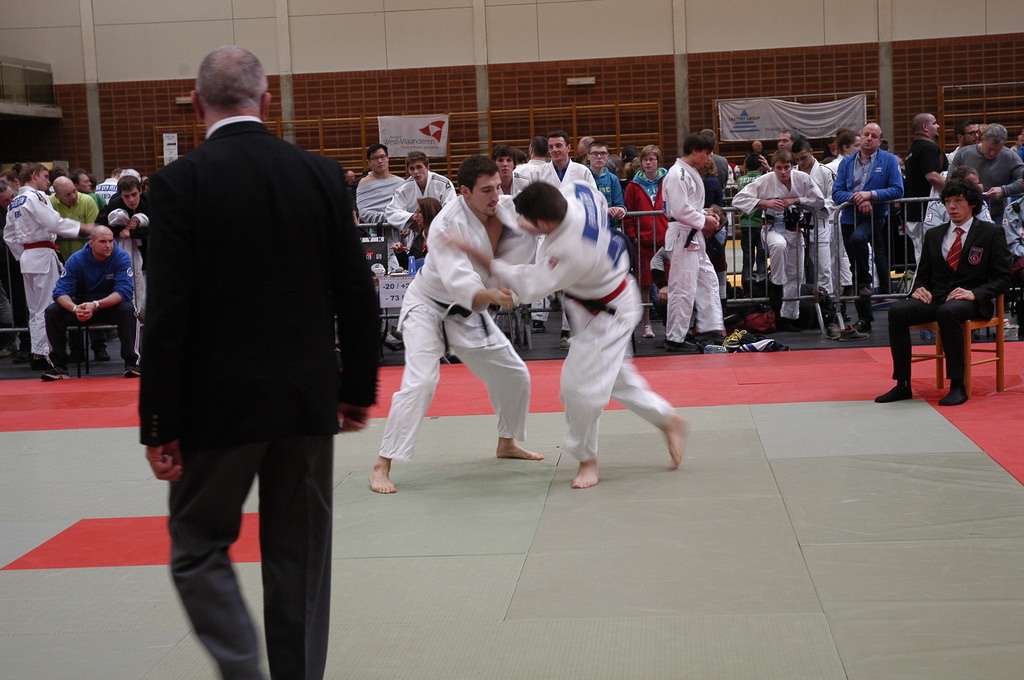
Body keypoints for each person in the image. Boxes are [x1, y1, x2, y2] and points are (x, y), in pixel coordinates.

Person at [140, 46, 379, 680]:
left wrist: (159, 422)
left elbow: (165, 315)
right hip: (305, 400)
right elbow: (357, 291)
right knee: (300, 559)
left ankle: (241, 666)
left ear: (197, 104)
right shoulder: (320, 175)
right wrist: (356, 387)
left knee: (198, 545)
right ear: (267, 102)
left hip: (214, 406)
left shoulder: (178, 183)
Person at [450, 181, 687, 488]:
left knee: (577, 389)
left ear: (546, 223)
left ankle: (588, 460)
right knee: (615, 378)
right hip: (602, 297)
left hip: (607, 316)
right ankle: (667, 419)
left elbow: (528, 284)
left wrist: (479, 255)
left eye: (531, 223)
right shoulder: (578, 191)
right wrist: (525, 220)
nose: (525, 226)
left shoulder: (570, 249)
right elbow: (583, 199)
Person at [370, 155, 542, 495]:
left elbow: (538, 226)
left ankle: (507, 441)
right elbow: (459, 279)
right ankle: (382, 463)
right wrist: (493, 296)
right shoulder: (446, 225)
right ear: (464, 191)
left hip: (467, 314)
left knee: (514, 374)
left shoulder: (507, 209)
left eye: (497, 187)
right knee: (421, 382)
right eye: (486, 190)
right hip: (428, 308)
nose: (495, 196)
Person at [875, 179, 1010, 406]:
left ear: (972, 204)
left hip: (971, 300)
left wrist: (975, 293)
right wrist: (918, 288)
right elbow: (923, 274)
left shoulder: (990, 233)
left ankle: (958, 385)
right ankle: (902, 384)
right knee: (898, 311)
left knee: (948, 312)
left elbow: (1004, 279)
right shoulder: (934, 234)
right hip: (938, 297)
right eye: (948, 202)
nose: (952, 207)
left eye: (958, 201)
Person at [3, 163, 94, 370]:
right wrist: (83, 228)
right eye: (45, 176)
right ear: (34, 175)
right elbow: (54, 223)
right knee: (48, 307)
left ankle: (39, 354)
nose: (48, 180)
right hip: (42, 255)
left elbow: (9, 236)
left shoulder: (15, 201)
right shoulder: (36, 197)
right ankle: (48, 354)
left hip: (29, 258)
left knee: (35, 309)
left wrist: (24, 254)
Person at [732, 150, 825, 331]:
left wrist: (795, 200)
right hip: (772, 229)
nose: (783, 172)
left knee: (796, 274)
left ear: (792, 166)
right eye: (779, 168)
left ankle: (789, 317)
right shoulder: (765, 180)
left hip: (795, 230)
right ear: (773, 167)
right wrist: (765, 203)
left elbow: (819, 200)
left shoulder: (802, 178)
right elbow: (738, 199)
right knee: (779, 246)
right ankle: (776, 298)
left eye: (786, 167)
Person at [832, 122, 904, 335]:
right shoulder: (847, 162)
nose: (869, 138)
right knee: (855, 266)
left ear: (880, 141)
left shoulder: (888, 160)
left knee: (858, 239)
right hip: (849, 218)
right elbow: (837, 193)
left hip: (875, 217)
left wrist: (870, 195)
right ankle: (865, 319)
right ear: (861, 137)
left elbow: (897, 190)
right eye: (866, 134)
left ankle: (867, 281)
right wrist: (858, 198)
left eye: (874, 136)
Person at [40, 226, 139, 380]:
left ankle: (132, 363)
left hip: (108, 305)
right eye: (103, 241)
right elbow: (60, 292)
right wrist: (75, 309)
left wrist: (96, 304)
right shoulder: (76, 259)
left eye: (111, 241)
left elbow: (124, 291)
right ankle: (59, 367)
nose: (109, 245)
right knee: (52, 312)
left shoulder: (121, 257)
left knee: (128, 309)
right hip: (82, 306)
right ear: (91, 243)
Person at [660, 133, 723, 351]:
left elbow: (689, 207)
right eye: (707, 153)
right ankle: (675, 338)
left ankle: (710, 330)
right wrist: (704, 221)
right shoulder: (678, 174)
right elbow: (679, 210)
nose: (709, 158)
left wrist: (705, 214)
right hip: (682, 235)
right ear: (695, 151)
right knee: (683, 288)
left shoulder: (688, 172)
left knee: (709, 280)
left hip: (691, 234)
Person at [623, 145, 669, 339]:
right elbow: (628, 215)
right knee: (644, 284)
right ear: (640, 162)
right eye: (645, 159)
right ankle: (647, 323)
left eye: (652, 159)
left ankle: (668, 324)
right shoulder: (633, 186)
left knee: (668, 284)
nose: (648, 163)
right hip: (643, 242)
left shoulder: (668, 181)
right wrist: (633, 236)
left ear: (658, 161)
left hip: (666, 242)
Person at [948, 123, 1024, 228]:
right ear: (982, 139)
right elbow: (949, 182)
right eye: (990, 148)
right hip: (966, 213)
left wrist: (1004, 190)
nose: (992, 153)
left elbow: (1022, 180)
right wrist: (971, 190)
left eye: (997, 150)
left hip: (997, 214)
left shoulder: (1009, 156)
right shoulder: (964, 153)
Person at [903, 113, 948, 264]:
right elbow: (933, 177)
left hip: (914, 212)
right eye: (934, 123)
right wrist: (957, 189)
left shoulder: (913, 149)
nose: (938, 126)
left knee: (921, 256)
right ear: (925, 127)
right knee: (930, 258)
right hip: (927, 213)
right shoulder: (928, 148)